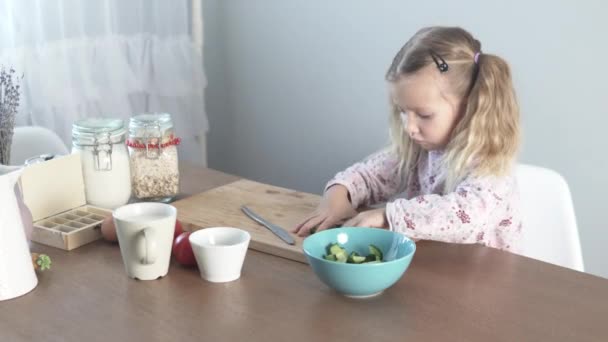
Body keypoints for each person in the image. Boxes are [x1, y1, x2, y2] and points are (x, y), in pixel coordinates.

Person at [293, 26, 522, 252]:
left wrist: (388, 216)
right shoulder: (419, 147)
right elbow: (372, 175)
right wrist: (338, 194)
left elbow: (468, 214)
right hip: (435, 270)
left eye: (424, 115)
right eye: (403, 111)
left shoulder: (489, 165)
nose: (409, 127)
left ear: (469, 107)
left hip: (485, 278)